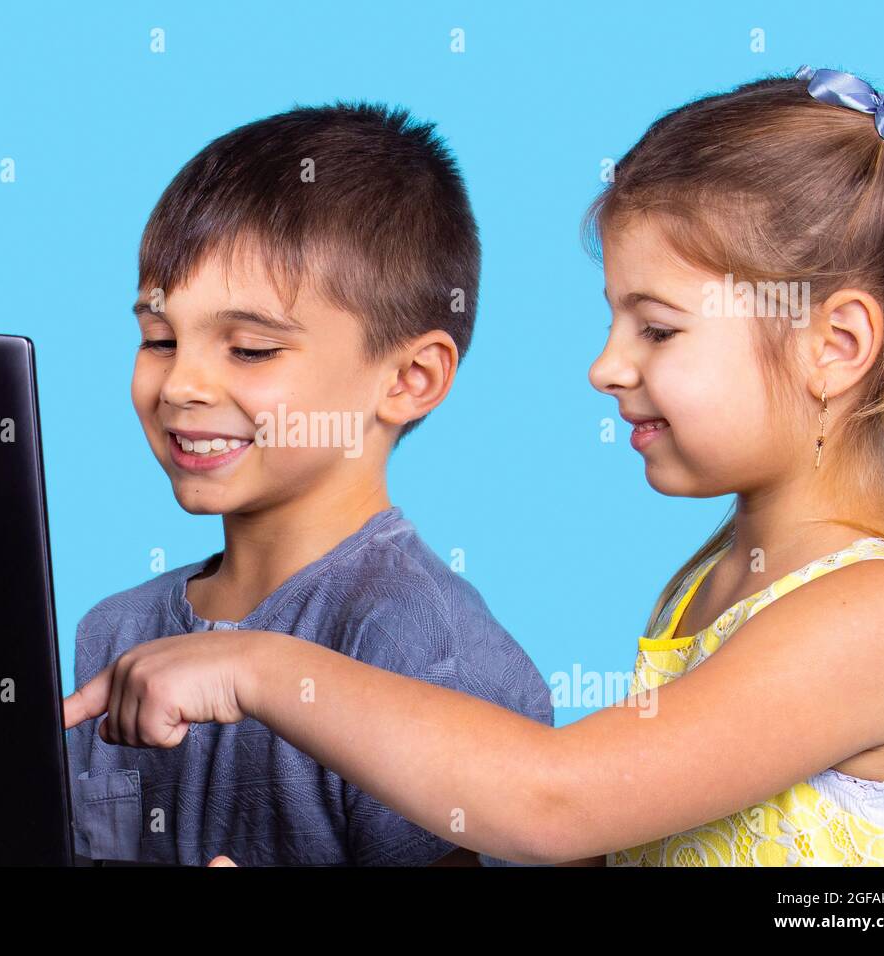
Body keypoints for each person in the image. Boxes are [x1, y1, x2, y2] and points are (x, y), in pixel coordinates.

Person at [67, 53, 884, 866]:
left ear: (835, 346)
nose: (606, 366)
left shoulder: (882, 622)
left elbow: (553, 800)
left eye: (658, 328)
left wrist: (258, 668)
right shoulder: (713, 591)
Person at [67, 101, 553, 866]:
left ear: (409, 379)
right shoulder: (112, 634)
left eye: (252, 349)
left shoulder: (431, 657)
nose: (181, 384)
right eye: (159, 340)